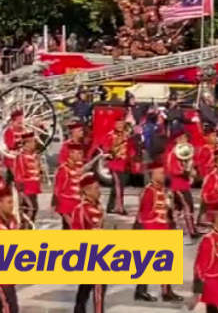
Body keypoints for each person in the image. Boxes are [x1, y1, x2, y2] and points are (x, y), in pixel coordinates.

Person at [135, 160, 182, 303]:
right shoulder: (149, 191)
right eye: (160, 173)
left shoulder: (162, 190)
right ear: (152, 175)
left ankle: (166, 291)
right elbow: (143, 214)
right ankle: (142, 291)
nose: (163, 175)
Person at [71, 175, 107, 313]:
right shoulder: (81, 209)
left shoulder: (97, 205)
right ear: (86, 191)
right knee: (99, 287)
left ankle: (79, 309)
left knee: (86, 286)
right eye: (96, 188)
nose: (100, 191)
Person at [0, 188, 20, 313]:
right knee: (10, 307)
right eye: (9, 202)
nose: (12, 206)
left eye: (12, 202)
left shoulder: (12, 221)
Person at [163, 127, 198, 235]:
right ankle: (191, 230)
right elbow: (172, 170)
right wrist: (186, 172)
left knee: (177, 207)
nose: (185, 141)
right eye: (183, 138)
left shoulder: (184, 153)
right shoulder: (173, 153)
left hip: (184, 184)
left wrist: (192, 171)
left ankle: (173, 227)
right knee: (188, 206)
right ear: (177, 140)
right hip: (178, 185)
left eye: (186, 138)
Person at [12, 132, 42, 228]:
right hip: (26, 189)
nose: (34, 144)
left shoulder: (35, 155)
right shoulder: (20, 157)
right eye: (33, 142)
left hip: (34, 188)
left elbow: (38, 170)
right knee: (30, 209)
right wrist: (20, 190)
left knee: (32, 209)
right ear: (27, 143)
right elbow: (18, 175)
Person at [105, 118, 133, 215]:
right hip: (115, 165)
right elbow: (106, 150)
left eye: (121, 124)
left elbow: (130, 149)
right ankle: (119, 208)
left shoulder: (127, 135)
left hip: (125, 165)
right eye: (118, 124)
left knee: (118, 187)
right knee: (118, 187)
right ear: (114, 125)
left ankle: (110, 207)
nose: (120, 126)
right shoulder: (110, 136)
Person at [53, 144, 84, 230]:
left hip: (77, 205)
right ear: (71, 153)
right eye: (79, 154)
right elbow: (57, 190)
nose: (81, 156)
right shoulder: (63, 170)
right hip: (67, 206)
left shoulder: (78, 168)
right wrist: (59, 206)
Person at [0, 110, 25, 186]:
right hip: (11, 159)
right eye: (20, 118)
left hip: (19, 159)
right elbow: (9, 146)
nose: (22, 120)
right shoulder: (9, 131)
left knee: (10, 181)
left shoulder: (23, 129)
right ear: (16, 119)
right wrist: (20, 144)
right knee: (19, 182)